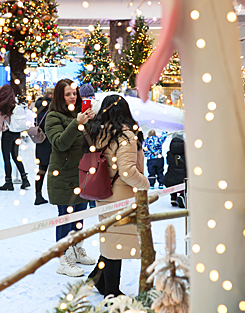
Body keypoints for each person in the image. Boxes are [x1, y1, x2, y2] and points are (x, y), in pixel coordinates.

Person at [85, 95, 150, 297]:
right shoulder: (126, 136)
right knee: (116, 243)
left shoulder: (99, 133)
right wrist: (145, 183)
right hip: (121, 196)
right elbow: (128, 171)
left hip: (103, 192)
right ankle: (111, 291)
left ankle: (97, 278)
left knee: (111, 240)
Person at [45, 79, 96, 277]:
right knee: (65, 218)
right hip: (63, 175)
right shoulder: (53, 117)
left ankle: (75, 249)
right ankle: (62, 258)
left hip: (81, 173)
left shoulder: (79, 114)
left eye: (74, 93)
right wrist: (77, 123)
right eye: (68, 94)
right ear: (60, 96)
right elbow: (59, 143)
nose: (73, 97)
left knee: (80, 216)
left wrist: (91, 122)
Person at [0, 85, 31, 191]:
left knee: (7, 158)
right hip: (16, 133)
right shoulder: (16, 105)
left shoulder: (3, 107)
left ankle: (8, 182)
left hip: (7, 134)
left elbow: (0, 124)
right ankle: (25, 179)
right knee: (16, 156)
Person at [79, 83, 99, 208]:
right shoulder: (99, 106)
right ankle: (91, 200)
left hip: (88, 144)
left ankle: (89, 199)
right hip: (94, 145)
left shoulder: (96, 108)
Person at [34, 89, 53, 205]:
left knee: (42, 169)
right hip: (51, 141)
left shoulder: (39, 106)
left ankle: (38, 194)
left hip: (41, 141)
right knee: (54, 169)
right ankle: (52, 194)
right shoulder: (53, 107)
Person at [164, 132, 187, 208]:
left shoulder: (169, 153)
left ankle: (173, 197)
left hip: (171, 177)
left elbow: (168, 163)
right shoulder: (186, 152)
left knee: (171, 179)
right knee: (186, 181)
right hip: (183, 177)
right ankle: (182, 195)